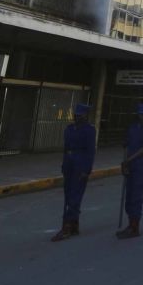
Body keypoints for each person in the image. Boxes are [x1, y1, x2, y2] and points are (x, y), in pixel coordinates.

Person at [51, 103, 96, 242]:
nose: (77, 117)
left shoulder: (89, 130)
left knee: (74, 196)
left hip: (81, 163)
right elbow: (66, 148)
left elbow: (90, 151)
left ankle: (67, 227)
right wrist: (64, 165)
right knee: (68, 194)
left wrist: (86, 169)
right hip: (69, 164)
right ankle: (74, 224)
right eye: (76, 115)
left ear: (85, 116)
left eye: (80, 115)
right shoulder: (69, 129)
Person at [117, 102, 143, 239]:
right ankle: (130, 224)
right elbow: (128, 142)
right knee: (129, 196)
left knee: (136, 196)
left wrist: (129, 159)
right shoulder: (133, 127)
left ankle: (134, 227)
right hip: (130, 165)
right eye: (141, 114)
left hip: (141, 166)